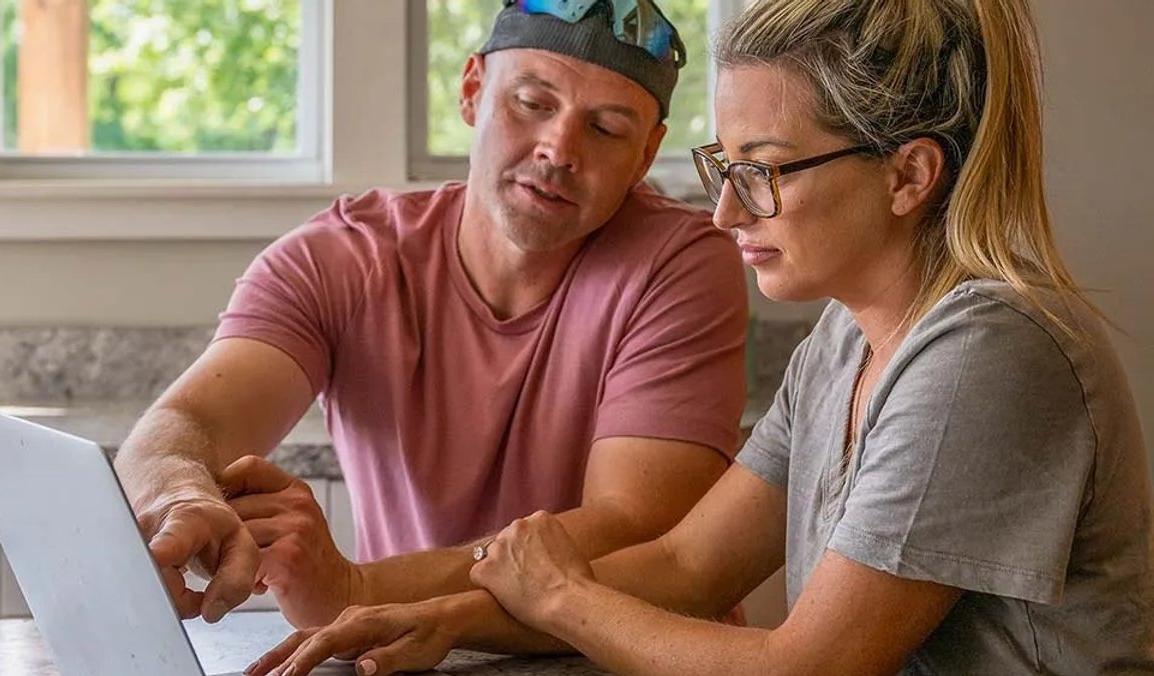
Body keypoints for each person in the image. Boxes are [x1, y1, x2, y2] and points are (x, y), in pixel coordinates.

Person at [242, 0, 1154, 674]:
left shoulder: (986, 353)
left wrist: (558, 594)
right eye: (723, 167)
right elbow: (686, 564)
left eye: (760, 172)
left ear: (909, 173)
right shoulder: (844, 342)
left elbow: (810, 668)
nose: (722, 211)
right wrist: (444, 619)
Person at [113, 0, 749, 635]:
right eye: (531, 103)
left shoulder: (683, 260)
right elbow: (185, 422)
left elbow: (638, 526)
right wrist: (180, 492)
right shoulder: (342, 257)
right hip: (407, 651)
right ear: (473, 90)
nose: (559, 149)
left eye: (607, 128)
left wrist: (361, 589)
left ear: (645, 156)